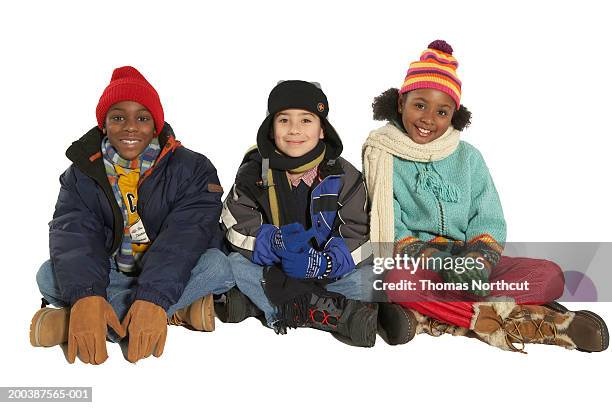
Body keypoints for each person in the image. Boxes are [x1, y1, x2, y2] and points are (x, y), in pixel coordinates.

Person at [362, 40, 608, 353]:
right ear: (400, 103)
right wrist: (440, 263)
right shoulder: (383, 156)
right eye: (419, 105)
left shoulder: (469, 159)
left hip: (473, 265)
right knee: (396, 282)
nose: (428, 118)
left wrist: (475, 261)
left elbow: (488, 217)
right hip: (421, 267)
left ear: (454, 115)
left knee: (549, 275)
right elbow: (389, 229)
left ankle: (427, 319)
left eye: (442, 111)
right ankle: (542, 323)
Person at [29, 66, 234, 364]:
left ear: (155, 125)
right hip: (112, 271)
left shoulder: (193, 168)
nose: (130, 127)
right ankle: (173, 311)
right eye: (118, 117)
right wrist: (87, 295)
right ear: (104, 125)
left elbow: (185, 239)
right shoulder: (81, 173)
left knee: (218, 266)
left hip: (170, 270)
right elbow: (74, 234)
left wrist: (152, 298)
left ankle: (81, 323)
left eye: (142, 118)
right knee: (48, 274)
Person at [220, 80, 414, 347]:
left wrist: (324, 264)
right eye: (284, 120)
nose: (295, 130)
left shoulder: (345, 176)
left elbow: (359, 236)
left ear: (323, 130)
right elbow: (235, 228)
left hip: (329, 275)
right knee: (233, 265)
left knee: (372, 277)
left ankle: (266, 307)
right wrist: (274, 242)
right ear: (271, 128)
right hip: (275, 268)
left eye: (306, 120)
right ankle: (334, 314)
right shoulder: (254, 173)